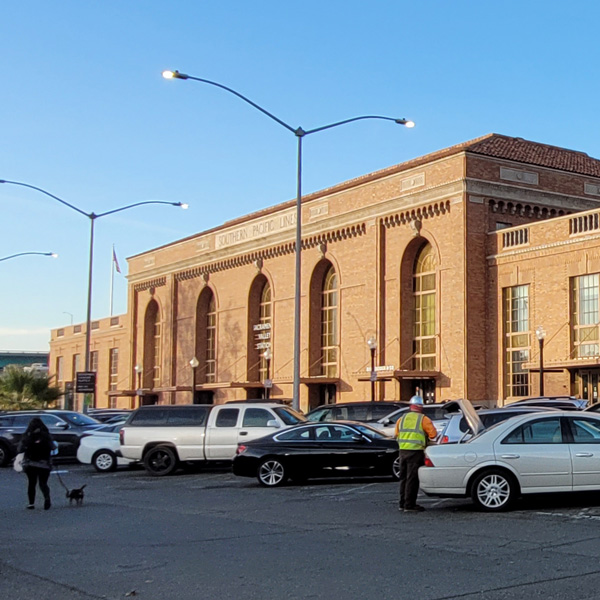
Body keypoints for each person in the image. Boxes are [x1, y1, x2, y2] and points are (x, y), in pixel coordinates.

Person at [395, 395, 437, 512]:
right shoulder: (423, 419)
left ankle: (402, 503)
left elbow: (397, 434)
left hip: (402, 451)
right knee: (412, 479)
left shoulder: (401, 419)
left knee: (403, 478)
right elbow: (433, 435)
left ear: (410, 406)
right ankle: (409, 505)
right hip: (416, 452)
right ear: (420, 407)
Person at [18, 417, 54, 510]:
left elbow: (20, 449)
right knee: (43, 483)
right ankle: (47, 498)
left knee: (31, 483)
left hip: (31, 463)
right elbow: (53, 447)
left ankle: (31, 504)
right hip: (44, 463)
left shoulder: (27, 435)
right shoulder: (46, 435)